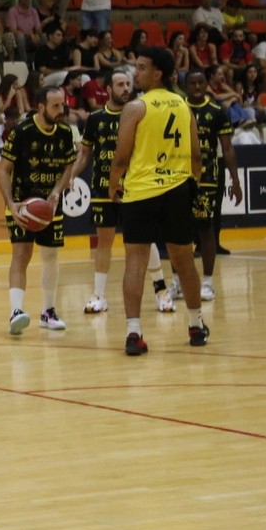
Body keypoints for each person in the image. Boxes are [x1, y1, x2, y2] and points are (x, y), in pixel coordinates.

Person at [110, 48, 210, 355]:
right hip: (177, 191)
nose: (135, 73)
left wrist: (114, 185)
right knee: (184, 261)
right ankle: (195, 325)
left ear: (158, 74)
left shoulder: (135, 107)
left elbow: (121, 157)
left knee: (136, 262)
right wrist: (191, 183)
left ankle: (134, 333)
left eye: (141, 68)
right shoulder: (183, 106)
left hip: (140, 192)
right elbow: (196, 155)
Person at [0, 85, 80, 335]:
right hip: (23, 204)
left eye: (63, 105)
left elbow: (69, 166)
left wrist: (57, 192)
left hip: (50, 205)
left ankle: (48, 312)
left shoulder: (65, 132)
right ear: (41, 106)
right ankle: (16, 312)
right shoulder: (21, 131)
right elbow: (3, 169)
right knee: (21, 255)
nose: (61, 110)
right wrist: (11, 205)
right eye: (55, 106)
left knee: (51, 257)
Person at [74, 68, 132, 314]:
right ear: (108, 89)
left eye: (128, 84)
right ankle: (99, 295)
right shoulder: (96, 118)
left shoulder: (138, 115)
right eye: (120, 84)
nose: (126, 89)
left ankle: (161, 290)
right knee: (104, 242)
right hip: (102, 188)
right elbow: (85, 154)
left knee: (141, 240)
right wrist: (70, 177)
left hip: (134, 187)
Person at [185, 70, 241, 305]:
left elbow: (227, 149)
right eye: (192, 83)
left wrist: (235, 181)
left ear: (207, 85)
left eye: (201, 82)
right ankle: (180, 280)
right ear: (185, 85)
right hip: (179, 177)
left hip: (207, 178)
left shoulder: (217, 112)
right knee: (180, 232)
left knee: (207, 229)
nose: (197, 86)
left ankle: (207, 281)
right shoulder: (176, 108)